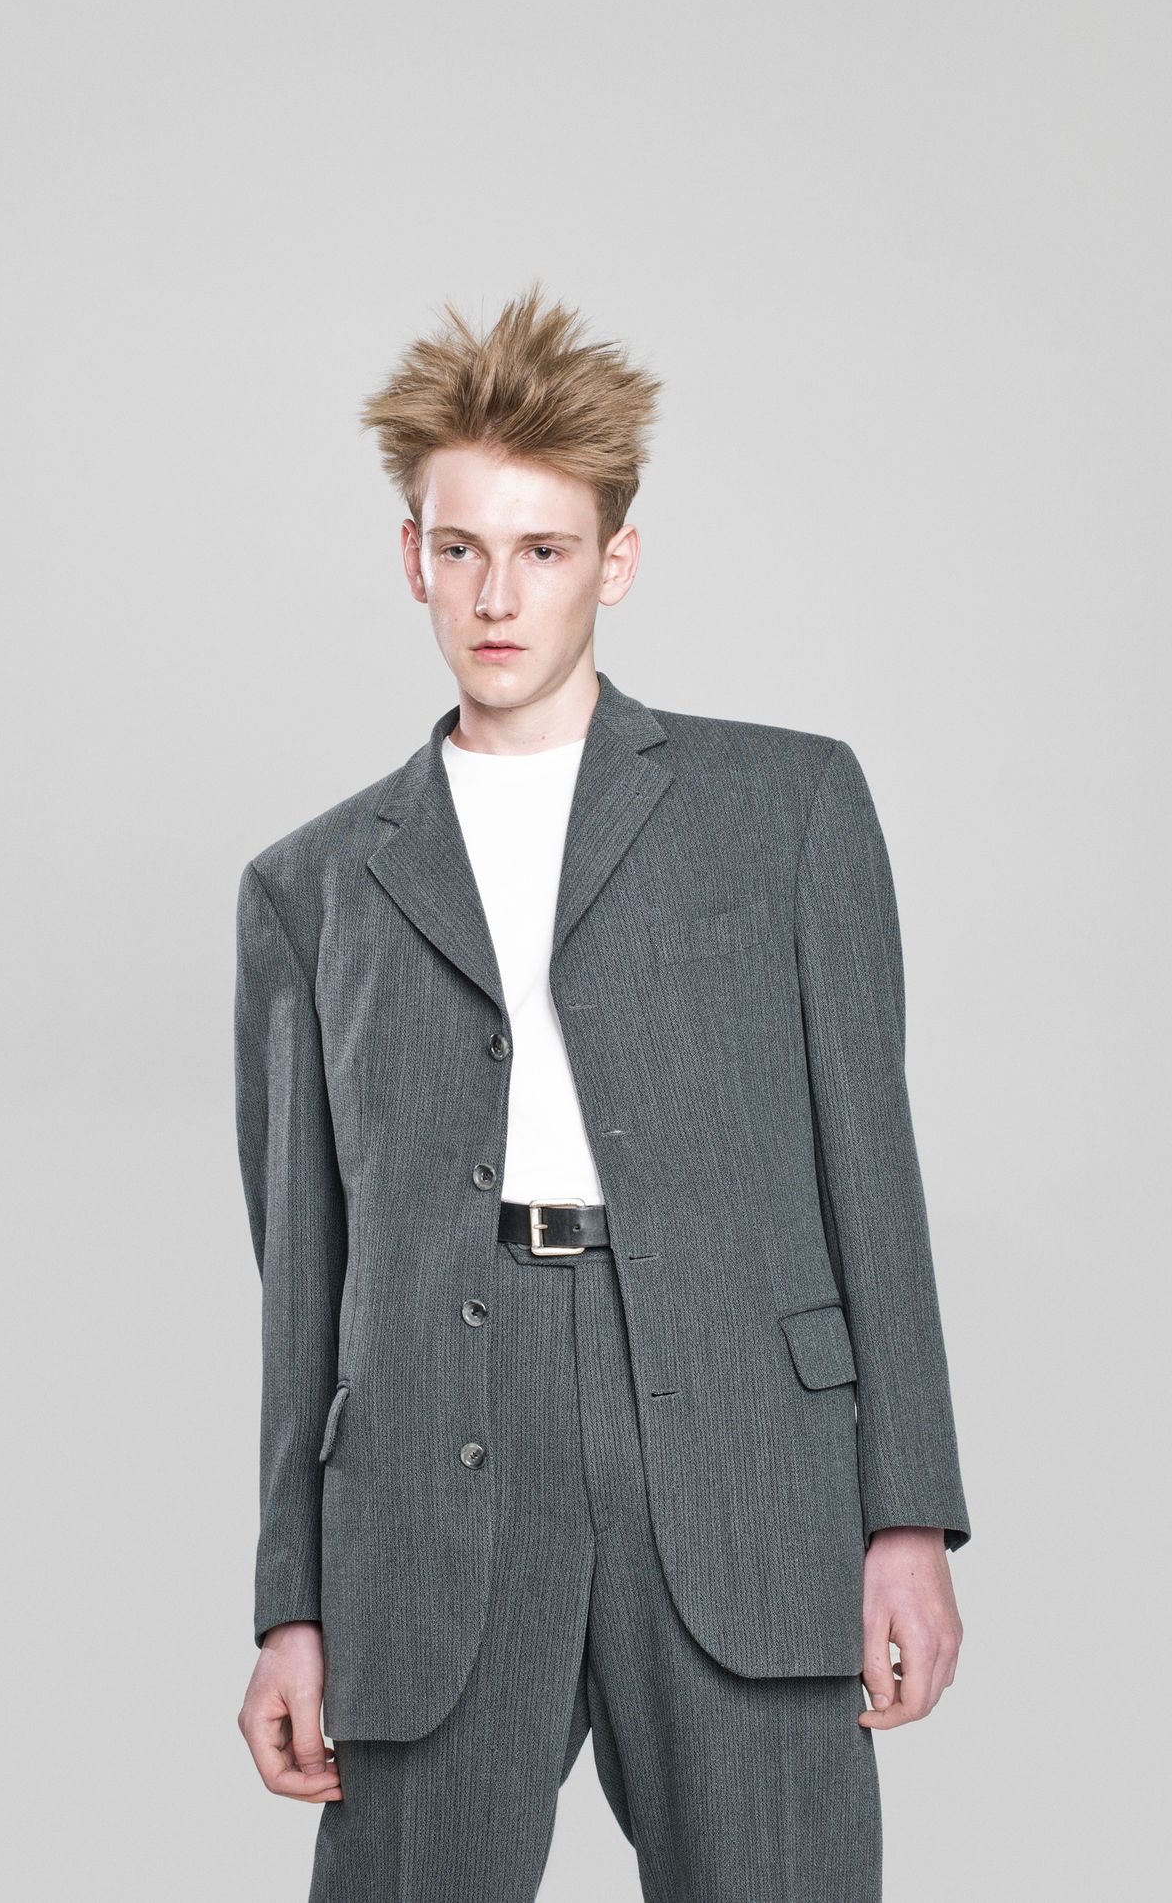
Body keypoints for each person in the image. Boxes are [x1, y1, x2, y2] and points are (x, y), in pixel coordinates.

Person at [232, 284, 971, 1902]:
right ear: (412, 558)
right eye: (462, 550)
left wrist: (907, 1516)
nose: (498, 596)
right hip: (431, 1467)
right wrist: (291, 1600)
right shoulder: (309, 890)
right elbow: (305, 1288)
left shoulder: (788, 809)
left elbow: (873, 1170)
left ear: (615, 562)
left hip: (738, 1447)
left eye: (544, 551)